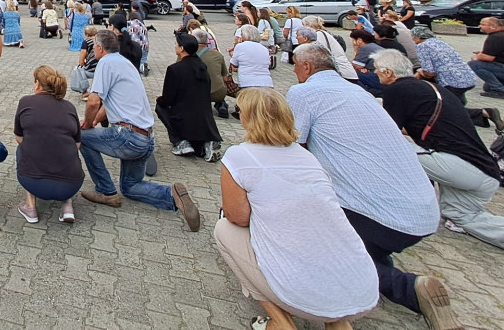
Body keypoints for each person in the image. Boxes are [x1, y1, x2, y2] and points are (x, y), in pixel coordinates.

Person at [286, 44, 457, 329]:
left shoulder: (303, 92)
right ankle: (376, 265)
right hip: (424, 209)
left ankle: (409, 288)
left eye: (294, 64)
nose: (292, 70)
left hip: (380, 214)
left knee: (321, 249)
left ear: (305, 67)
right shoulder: (360, 94)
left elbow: (295, 147)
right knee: (363, 245)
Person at [215, 88, 378, 330]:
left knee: (224, 229)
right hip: (362, 290)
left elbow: (238, 217)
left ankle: (280, 321)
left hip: (297, 293)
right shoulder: (307, 158)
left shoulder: (239, 156)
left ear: (248, 118)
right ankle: (338, 322)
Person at [374, 49, 504, 250]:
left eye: (377, 70)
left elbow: (388, 133)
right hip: (485, 173)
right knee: (462, 217)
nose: (375, 74)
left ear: (389, 72)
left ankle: (390, 207)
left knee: (393, 149)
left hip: (463, 169)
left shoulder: (396, 90)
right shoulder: (429, 88)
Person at [78, 29, 201, 231]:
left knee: (82, 136)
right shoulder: (124, 63)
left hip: (128, 137)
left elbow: (93, 102)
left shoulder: (105, 63)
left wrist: (89, 125)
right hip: (146, 137)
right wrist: (94, 122)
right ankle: (173, 195)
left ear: (99, 48)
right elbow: (109, 106)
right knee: (130, 187)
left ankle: (106, 192)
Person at [13, 66, 83, 223]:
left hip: (32, 181)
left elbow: (19, 137)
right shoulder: (69, 107)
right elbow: (77, 144)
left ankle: (30, 206)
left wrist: (37, 144)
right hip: (72, 185)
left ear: (37, 84)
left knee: (22, 149)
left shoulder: (25, 102)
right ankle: (67, 206)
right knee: (68, 149)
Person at [156, 34, 223, 162]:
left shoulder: (174, 69)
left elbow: (168, 99)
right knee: (198, 150)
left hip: (183, 119)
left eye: (176, 44)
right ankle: (208, 142)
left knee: (160, 106)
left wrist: (160, 99)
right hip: (205, 121)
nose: (175, 46)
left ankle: (180, 142)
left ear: (181, 48)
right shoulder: (202, 67)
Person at [302, 16, 358, 81]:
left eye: (303, 25)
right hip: (343, 72)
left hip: (342, 74)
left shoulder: (319, 35)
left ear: (309, 25)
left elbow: (320, 55)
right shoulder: (323, 33)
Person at [192, 28, 231, 119]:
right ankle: (221, 104)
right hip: (218, 93)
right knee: (218, 84)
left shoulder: (187, 53)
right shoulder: (218, 55)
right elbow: (225, 78)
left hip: (196, 93)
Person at [468, 16, 504, 99]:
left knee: (474, 64)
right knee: (487, 88)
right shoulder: (500, 35)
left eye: (483, 24)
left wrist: (476, 57)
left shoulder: (496, 37)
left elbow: (488, 58)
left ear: (493, 26)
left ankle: (499, 90)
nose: (480, 26)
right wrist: (482, 54)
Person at [229, 25, 273, 90]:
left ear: (244, 35)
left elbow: (234, 65)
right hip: (266, 82)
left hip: (247, 82)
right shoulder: (264, 48)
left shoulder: (240, 46)